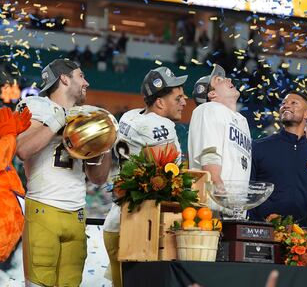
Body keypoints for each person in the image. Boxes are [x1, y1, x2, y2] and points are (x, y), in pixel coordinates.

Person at [15, 59, 112, 287]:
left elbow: (98, 179)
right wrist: (59, 119)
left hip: (77, 213)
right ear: (64, 78)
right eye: (81, 76)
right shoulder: (35, 105)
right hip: (43, 207)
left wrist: (105, 143)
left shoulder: (88, 114)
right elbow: (22, 149)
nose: (86, 82)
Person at [103, 66, 187, 287]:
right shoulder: (160, 127)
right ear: (159, 102)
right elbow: (167, 182)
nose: (184, 101)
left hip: (117, 221)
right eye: (178, 97)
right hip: (140, 229)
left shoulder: (131, 115)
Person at [249, 91, 307, 226]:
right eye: (283, 103)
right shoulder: (258, 147)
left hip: (302, 237)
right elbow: (249, 191)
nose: (286, 106)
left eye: (293, 103)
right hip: (263, 231)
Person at [188, 64, 251, 203]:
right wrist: (217, 185)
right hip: (214, 202)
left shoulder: (242, 120)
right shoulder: (208, 108)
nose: (228, 79)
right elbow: (209, 152)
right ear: (212, 94)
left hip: (234, 206)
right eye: (218, 80)